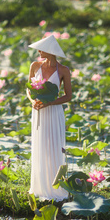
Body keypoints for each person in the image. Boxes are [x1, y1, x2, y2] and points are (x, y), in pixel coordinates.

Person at [27, 35, 72, 201]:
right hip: (38, 110)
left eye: (41, 48)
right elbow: (29, 89)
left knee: (54, 147)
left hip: (53, 112)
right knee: (40, 147)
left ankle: (55, 187)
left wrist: (49, 103)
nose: (38, 51)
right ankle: (39, 187)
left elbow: (68, 96)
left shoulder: (64, 70)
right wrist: (33, 101)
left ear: (51, 51)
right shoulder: (35, 65)